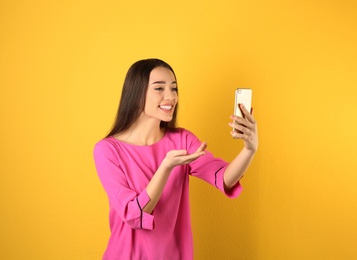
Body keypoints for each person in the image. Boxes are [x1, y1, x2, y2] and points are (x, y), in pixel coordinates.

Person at [93, 58, 258, 259]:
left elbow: (223, 178)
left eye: (174, 88)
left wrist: (249, 149)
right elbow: (134, 214)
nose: (170, 96)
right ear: (137, 93)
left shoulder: (182, 139)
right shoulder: (108, 150)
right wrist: (166, 167)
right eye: (159, 88)